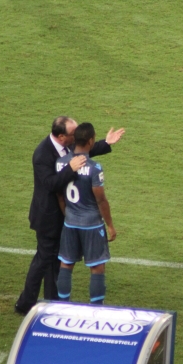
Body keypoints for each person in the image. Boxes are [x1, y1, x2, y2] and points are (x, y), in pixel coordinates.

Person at [15, 116, 124, 314]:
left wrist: (106, 143)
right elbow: (51, 185)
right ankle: (25, 303)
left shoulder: (68, 147)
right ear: (61, 136)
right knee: (43, 260)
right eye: (73, 134)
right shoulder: (42, 154)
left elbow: (83, 152)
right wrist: (70, 169)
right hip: (48, 217)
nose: (76, 137)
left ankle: (54, 302)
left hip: (66, 215)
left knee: (58, 262)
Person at [56, 123, 116, 304]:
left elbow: (60, 195)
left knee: (66, 264)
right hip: (92, 225)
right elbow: (101, 200)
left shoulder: (61, 163)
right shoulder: (94, 167)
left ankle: (62, 305)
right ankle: (96, 309)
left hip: (70, 222)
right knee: (97, 267)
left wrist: (67, 214)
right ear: (90, 141)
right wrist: (110, 225)